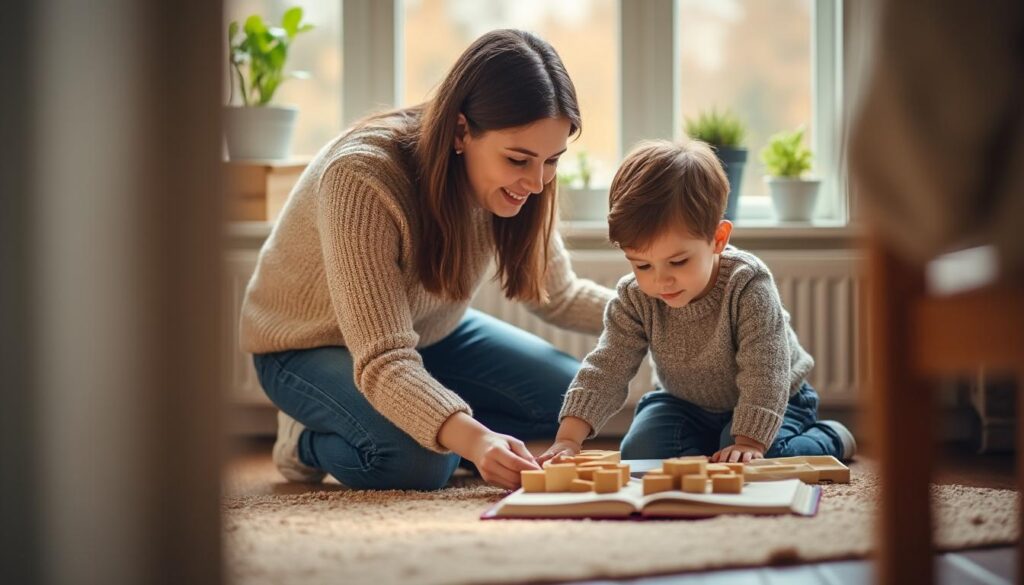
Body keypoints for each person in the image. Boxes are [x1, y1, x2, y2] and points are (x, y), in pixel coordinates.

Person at [240, 30, 614, 491]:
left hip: (426, 335)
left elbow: (557, 293)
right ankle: (302, 442)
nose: (537, 183)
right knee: (418, 462)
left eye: (552, 160)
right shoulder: (361, 176)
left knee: (570, 396)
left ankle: (432, 411)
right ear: (461, 131)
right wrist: (474, 442)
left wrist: (658, 311)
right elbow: (384, 357)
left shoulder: (526, 179)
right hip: (305, 347)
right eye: (519, 160)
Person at [538, 139, 857, 465]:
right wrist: (568, 439)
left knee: (756, 458)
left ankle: (830, 437)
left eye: (678, 262)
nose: (660, 281)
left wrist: (748, 442)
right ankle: (718, 445)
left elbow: (765, 373)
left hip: (777, 397)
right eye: (642, 265)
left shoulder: (748, 284)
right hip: (685, 403)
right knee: (640, 453)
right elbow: (607, 367)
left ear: (718, 239)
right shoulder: (635, 297)